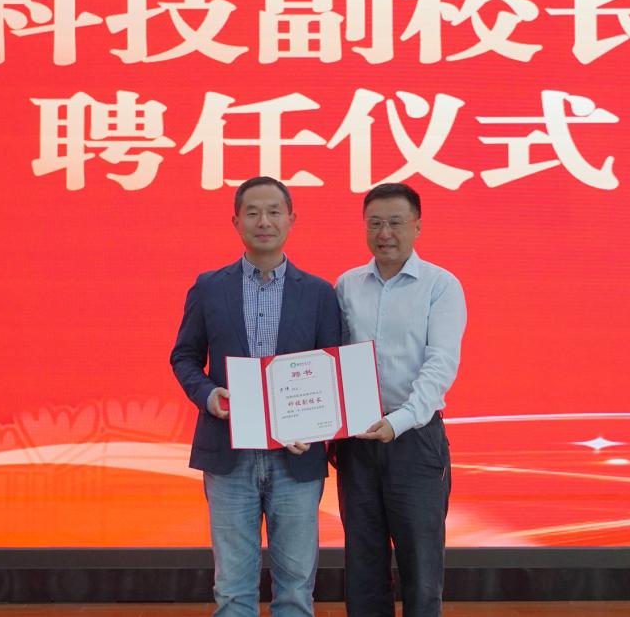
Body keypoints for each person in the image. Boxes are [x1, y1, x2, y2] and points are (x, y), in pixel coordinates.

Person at [170, 176, 342, 617]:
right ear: (236, 222)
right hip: (228, 454)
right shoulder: (209, 287)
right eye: (252, 212)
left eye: (273, 212)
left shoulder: (319, 293)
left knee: (296, 589)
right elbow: (184, 356)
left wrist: (315, 425)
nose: (264, 221)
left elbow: (331, 371)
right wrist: (208, 395)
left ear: (291, 220)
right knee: (232, 589)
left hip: (296, 458)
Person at [334, 182, 467, 617]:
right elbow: (332, 359)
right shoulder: (347, 285)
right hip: (357, 439)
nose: (384, 233)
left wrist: (400, 420)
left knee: (421, 565)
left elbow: (441, 364)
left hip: (415, 438)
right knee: (363, 560)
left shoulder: (441, 285)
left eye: (395, 222)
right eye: (374, 223)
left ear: (417, 226)